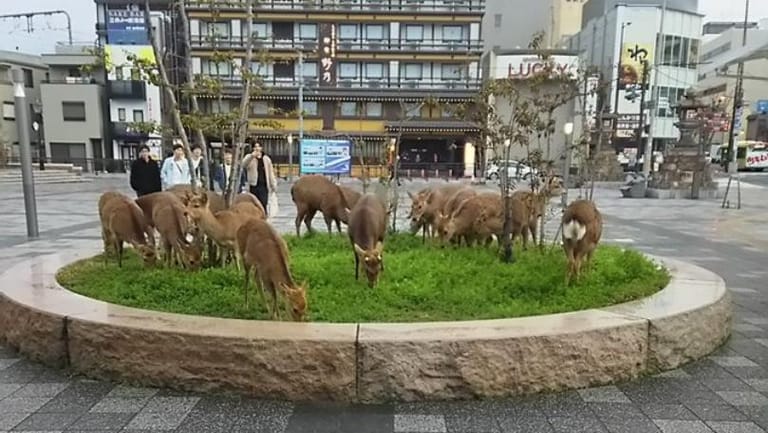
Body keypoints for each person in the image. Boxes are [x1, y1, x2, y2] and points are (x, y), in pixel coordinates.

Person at [242, 142, 277, 214]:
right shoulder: (249, 157)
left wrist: (273, 184)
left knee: (263, 203)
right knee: (254, 203)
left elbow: (270, 173)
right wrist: (252, 156)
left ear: (261, 148)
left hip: (264, 185)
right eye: (255, 147)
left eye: (258, 147)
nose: (257, 148)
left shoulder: (266, 159)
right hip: (254, 185)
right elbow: (244, 164)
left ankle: (264, 217)